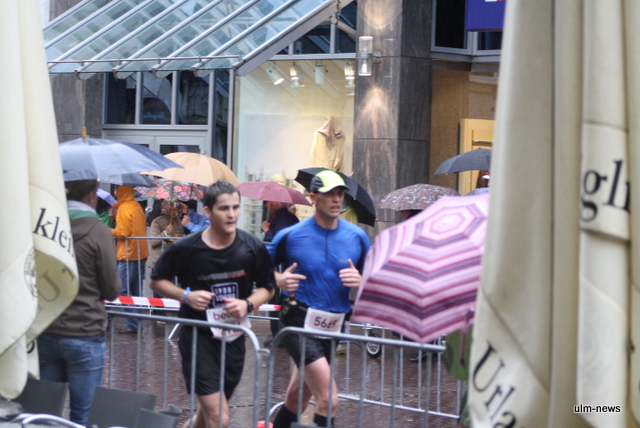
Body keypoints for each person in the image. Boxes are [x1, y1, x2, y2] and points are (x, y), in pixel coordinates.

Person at [150, 181, 275, 428]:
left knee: (208, 416)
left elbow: (268, 288)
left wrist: (247, 304)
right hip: (198, 338)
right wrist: (186, 296)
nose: (231, 214)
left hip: (233, 338)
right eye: (224, 208)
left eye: (236, 207)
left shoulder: (251, 246)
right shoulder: (187, 247)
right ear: (207, 211)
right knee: (220, 417)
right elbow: (156, 280)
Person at [267, 170, 371, 428]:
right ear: (314, 198)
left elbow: (374, 277)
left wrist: (361, 280)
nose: (337, 199)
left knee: (298, 397)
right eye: (330, 194)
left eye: (340, 193)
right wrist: (278, 278)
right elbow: (257, 265)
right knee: (329, 399)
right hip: (298, 320)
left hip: (334, 323)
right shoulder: (292, 235)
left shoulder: (357, 237)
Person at [38, 179, 120, 426]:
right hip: (85, 331)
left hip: (48, 327)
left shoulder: (45, 225)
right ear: (92, 195)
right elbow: (112, 290)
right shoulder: (98, 230)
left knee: (46, 414)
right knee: (83, 415)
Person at [110, 185, 149, 333]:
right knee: (136, 291)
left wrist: (109, 230)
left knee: (122, 290)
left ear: (121, 192)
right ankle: (138, 323)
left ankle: (133, 325)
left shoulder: (124, 208)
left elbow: (123, 232)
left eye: (117, 190)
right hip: (140, 252)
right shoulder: (136, 206)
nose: (115, 193)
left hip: (128, 253)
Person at [261, 200, 299, 347]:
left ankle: (280, 337)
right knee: (276, 303)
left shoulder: (285, 219)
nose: (266, 205)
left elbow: (278, 242)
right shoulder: (281, 218)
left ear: (276, 202)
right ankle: (280, 336)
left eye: (268, 202)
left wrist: (266, 230)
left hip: (282, 269)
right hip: (280, 268)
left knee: (277, 303)